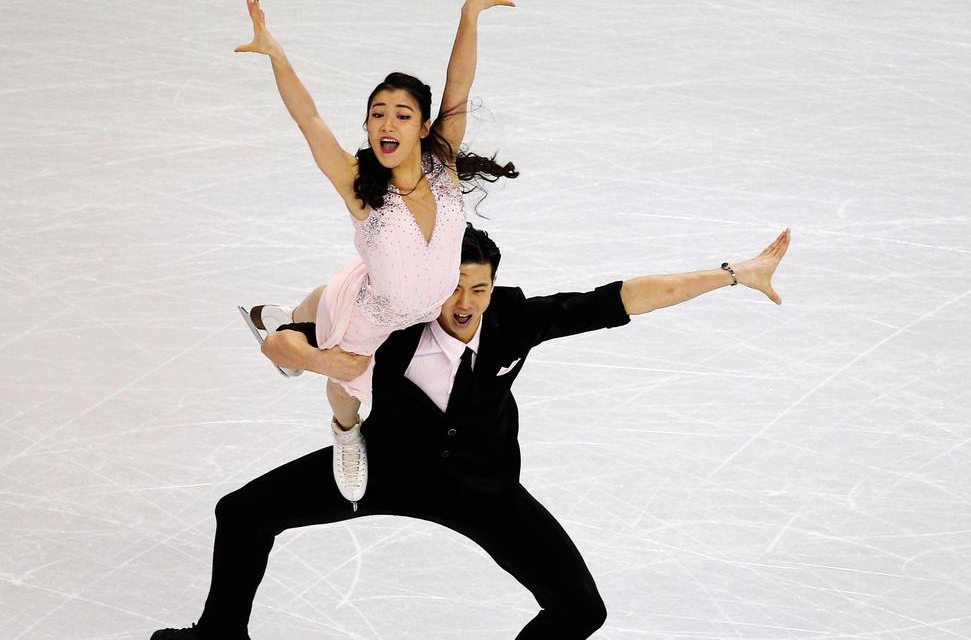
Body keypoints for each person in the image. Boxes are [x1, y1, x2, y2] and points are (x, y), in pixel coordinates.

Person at [152, 224, 791, 640]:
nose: (464, 302)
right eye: (453, 287)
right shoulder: (394, 321)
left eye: (478, 288)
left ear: (493, 286)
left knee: (581, 610)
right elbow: (287, 343)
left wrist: (731, 273)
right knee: (240, 514)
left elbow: (621, 297)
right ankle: (218, 639)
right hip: (383, 467)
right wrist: (318, 355)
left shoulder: (511, 320)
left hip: (481, 486)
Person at [234, 0, 516, 509]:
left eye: (402, 114)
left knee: (333, 294)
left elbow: (457, 83)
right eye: (377, 113)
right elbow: (309, 119)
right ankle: (344, 435)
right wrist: (276, 55)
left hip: (425, 309)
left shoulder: (442, 167)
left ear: (423, 126)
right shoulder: (361, 186)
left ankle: (287, 317)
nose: (387, 123)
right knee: (346, 381)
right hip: (377, 314)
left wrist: (471, 12)